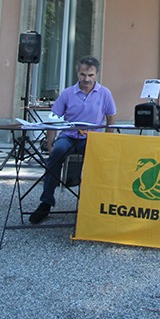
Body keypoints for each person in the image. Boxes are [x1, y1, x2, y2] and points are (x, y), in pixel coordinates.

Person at [29, 55, 116, 224]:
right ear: (78, 73)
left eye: (90, 75)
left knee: (96, 161)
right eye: (83, 75)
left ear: (97, 74)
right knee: (56, 155)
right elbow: (54, 118)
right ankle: (46, 202)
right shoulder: (68, 93)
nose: (86, 79)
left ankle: (91, 203)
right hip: (68, 136)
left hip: (91, 138)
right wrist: (50, 143)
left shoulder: (105, 93)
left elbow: (111, 119)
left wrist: (107, 141)